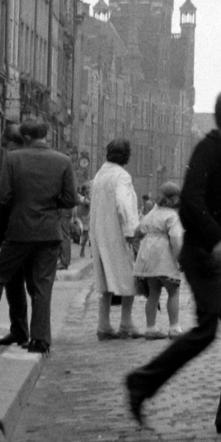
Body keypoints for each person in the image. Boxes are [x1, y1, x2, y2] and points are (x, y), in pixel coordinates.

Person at [125, 87, 221, 434]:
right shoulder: (207, 150)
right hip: (206, 257)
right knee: (205, 333)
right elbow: (191, 201)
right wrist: (218, 238)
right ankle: (140, 383)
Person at [0, 117, 78, 350]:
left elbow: (3, 196)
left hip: (19, 231)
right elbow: (71, 199)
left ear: (26, 137)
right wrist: (50, 202)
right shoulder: (63, 160)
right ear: (46, 134)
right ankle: (40, 339)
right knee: (42, 285)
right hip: (49, 232)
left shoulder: (14, 158)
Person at [89, 139, 142, 339]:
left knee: (105, 280)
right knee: (129, 278)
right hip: (118, 235)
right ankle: (126, 322)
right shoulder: (122, 176)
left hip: (100, 233)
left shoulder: (100, 174)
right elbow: (124, 204)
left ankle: (103, 324)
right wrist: (132, 232)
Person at [134, 182, 186, 339]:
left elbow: (138, 230)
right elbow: (176, 238)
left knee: (153, 293)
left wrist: (138, 247)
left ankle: (150, 328)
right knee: (173, 291)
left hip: (148, 256)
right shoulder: (172, 216)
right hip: (164, 256)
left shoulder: (152, 213)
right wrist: (181, 259)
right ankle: (174, 328)